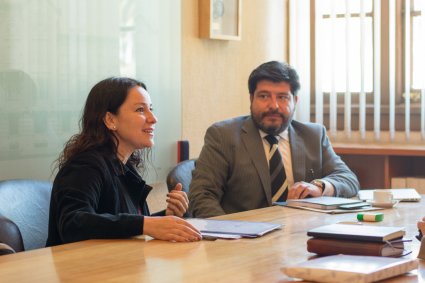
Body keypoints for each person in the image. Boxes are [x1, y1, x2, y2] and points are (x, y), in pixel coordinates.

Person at [189, 61, 360, 218]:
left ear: (295, 101)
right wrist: (228, 234)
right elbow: (201, 196)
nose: (273, 105)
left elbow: (348, 179)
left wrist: (320, 186)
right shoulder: (223, 136)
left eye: (282, 97)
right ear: (251, 99)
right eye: (264, 96)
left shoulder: (313, 135)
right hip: (244, 241)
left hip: (301, 237)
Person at [46, 77, 201, 246]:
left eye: (151, 109)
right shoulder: (84, 166)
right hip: (81, 269)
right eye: (141, 110)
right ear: (110, 120)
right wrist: (147, 224)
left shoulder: (124, 167)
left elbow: (123, 228)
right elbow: (72, 224)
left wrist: (167, 218)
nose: (153, 118)